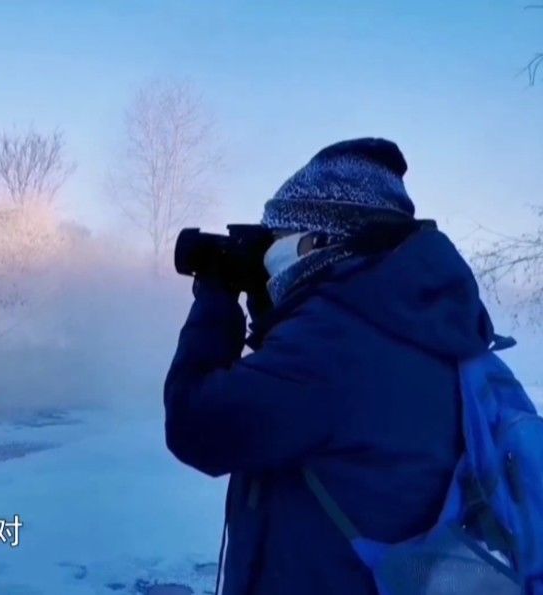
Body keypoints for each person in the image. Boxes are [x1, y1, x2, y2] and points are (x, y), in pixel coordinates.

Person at [163, 138, 498, 595]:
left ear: (319, 242)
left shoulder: (331, 345)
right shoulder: (412, 325)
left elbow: (194, 423)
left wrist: (216, 298)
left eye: (278, 242)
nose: (269, 259)